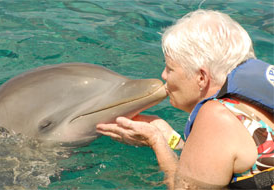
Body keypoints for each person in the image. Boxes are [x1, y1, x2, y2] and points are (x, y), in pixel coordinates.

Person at [97, 9, 274, 189]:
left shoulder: (217, 116)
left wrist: (155, 141)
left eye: (170, 68)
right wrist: (173, 141)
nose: (163, 75)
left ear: (201, 78)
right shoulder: (252, 105)